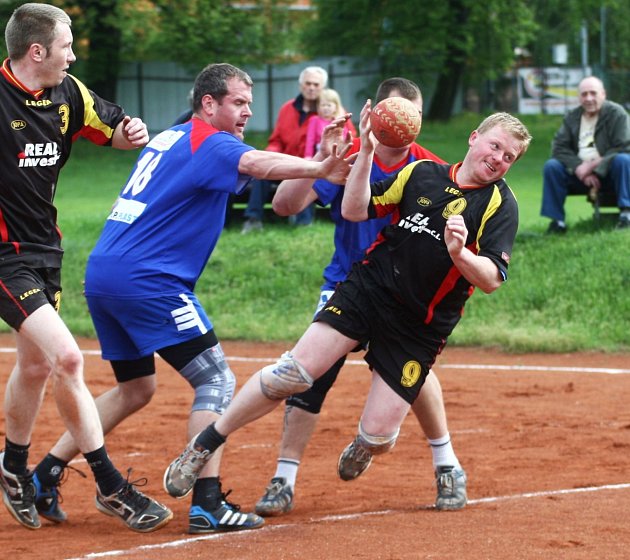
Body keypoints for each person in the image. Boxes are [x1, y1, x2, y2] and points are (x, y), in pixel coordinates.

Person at [30, 62, 352, 535]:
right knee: (217, 380)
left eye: (249, 103)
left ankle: (46, 473)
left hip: (106, 273)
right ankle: (206, 502)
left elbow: (247, 163)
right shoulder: (210, 140)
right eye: (238, 102)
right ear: (208, 103)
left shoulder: (172, 135)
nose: (246, 112)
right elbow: (257, 163)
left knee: (136, 388)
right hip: (149, 281)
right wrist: (321, 166)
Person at [163, 108, 531, 511]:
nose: (498, 158)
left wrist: (460, 253)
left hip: (419, 324)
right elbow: (356, 210)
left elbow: (492, 278)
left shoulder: (500, 205)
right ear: (474, 138)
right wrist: (368, 152)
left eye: (509, 156)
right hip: (368, 289)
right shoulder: (422, 172)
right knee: (292, 373)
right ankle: (206, 442)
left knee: (380, 437)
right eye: (495, 145)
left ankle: (366, 443)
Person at [254, 77, 466, 517]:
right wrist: (318, 159)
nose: (404, 123)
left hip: (401, 295)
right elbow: (284, 206)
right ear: (377, 115)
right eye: (395, 113)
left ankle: (447, 466)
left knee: (414, 375)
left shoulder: (433, 171)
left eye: (413, 114)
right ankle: (283, 477)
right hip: (346, 285)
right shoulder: (351, 154)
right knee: (308, 377)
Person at [0, 3, 173, 533]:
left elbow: (114, 129)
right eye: (66, 47)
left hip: (45, 250)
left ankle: (12, 469)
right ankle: (110, 486)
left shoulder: (67, 93)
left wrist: (133, 132)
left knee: (34, 367)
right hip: (4, 255)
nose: (72, 55)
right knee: (70, 360)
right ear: (37, 51)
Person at [241, 66, 355, 232]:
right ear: (300, 85)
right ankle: (253, 219)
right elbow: (277, 140)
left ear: (322, 87)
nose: (311, 88)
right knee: (261, 171)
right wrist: (270, 153)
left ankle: (303, 223)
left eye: (316, 84)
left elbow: (349, 136)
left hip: (314, 165)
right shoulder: (287, 108)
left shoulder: (332, 109)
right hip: (286, 163)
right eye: (308, 83)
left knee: (309, 174)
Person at [541, 75, 630, 232]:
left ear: (603, 94)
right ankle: (557, 223)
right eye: (584, 94)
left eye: (593, 93)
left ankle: (626, 215)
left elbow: (623, 146)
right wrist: (579, 168)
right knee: (552, 166)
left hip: (610, 173)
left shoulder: (617, 114)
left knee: (624, 160)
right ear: (579, 97)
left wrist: (594, 166)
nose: (589, 98)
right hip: (579, 175)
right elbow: (558, 147)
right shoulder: (572, 117)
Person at [304, 88, 352, 159]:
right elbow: (310, 140)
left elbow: (345, 137)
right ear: (318, 106)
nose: (325, 108)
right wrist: (308, 156)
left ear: (336, 107)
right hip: (320, 154)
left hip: (338, 154)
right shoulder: (314, 120)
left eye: (329, 105)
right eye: (323, 105)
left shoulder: (339, 120)